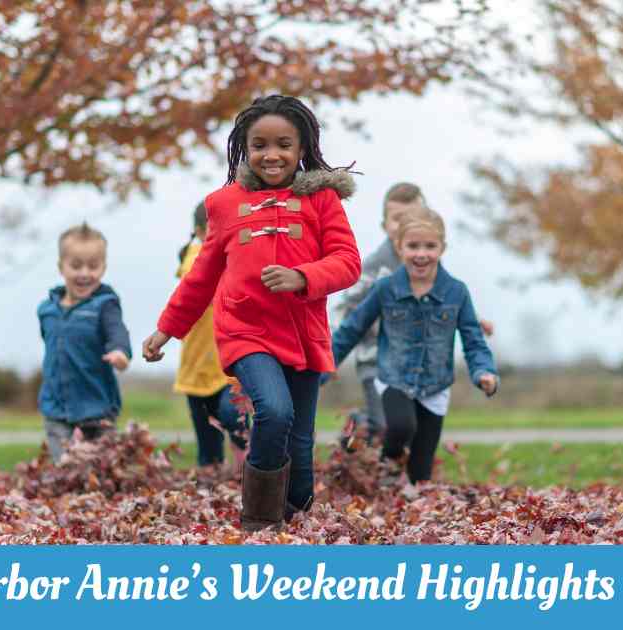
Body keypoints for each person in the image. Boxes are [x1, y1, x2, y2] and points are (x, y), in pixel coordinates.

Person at [142, 94, 362, 531]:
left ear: (302, 148)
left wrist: (304, 276)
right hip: (247, 331)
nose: (272, 154)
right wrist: (167, 330)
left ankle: (295, 521)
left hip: (303, 334)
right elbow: (202, 277)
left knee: (300, 442)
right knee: (274, 411)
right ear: (245, 148)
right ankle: (258, 521)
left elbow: (348, 262)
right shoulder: (224, 205)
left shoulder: (322, 201)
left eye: (284, 144)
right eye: (259, 145)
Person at [330, 208, 498, 484]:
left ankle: (406, 502)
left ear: (442, 248)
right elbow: (352, 329)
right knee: (400, 426)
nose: (421, 254)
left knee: (420, 472)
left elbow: (473, 341)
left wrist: (483, 373)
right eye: (413, 246)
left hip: (435, 387)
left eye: (430, 246)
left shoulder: (457, 291)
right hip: (394, 378)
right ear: (399, 247)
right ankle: (386, 470)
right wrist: (325, 365)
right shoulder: (385, 288)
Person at [333, 182, 424, 447]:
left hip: (414, 361)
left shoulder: (425, 260)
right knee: (387, 424)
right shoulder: (376, 267)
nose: (405, 224)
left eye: (413, 217)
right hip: (375, 357)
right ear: (385, 225)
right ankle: (361, 428)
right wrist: (331, 350)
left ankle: (361, 426)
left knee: (404, 424)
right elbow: (344, 309)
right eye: (398, 218)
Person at [37, 222, 132, 462]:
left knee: (100, 466)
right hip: (56, 405)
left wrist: (120, 352)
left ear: (103, 268)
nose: (84, 273)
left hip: (96, 406)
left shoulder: (105, 305)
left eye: (93, 266)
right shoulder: (47, 310)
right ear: (61, 267)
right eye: (76, 266)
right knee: (65, 466)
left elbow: (116, 331)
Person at [173, 202, 250, 469]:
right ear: (199, 232)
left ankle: (245, 461)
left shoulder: (239, 255)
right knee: (208, 445)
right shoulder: (194, 258)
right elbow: (198, 280)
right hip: (198, 366)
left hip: (230, 363)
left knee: (233, 416)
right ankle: (212, 482)